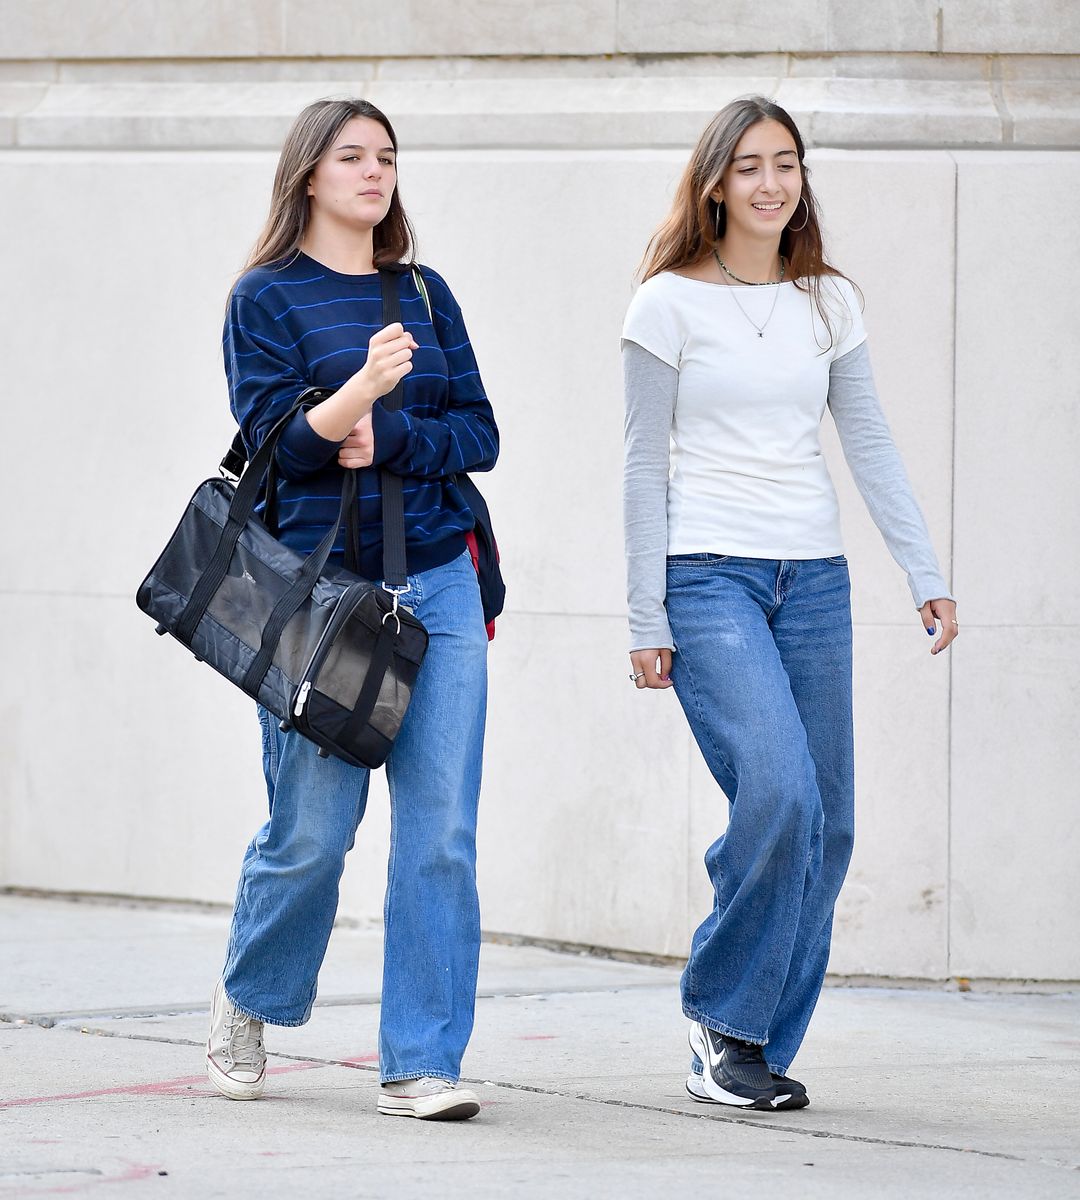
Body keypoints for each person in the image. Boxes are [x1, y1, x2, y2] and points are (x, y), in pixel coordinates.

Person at [621, 96, 957, 1112]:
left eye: (789, 165)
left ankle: (751, 1042)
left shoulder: (828, 303)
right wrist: (644, 614)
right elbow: (642, 463)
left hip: (813, 578)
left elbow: (869, 439)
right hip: (707, 573)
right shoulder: (666, 304)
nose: (773, 183)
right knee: (780, 791)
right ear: (715, 182)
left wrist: (924, 568)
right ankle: (721, 1016)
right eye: (752, 166)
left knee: (831, 822)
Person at [205, 97, 498, 1121]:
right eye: (352, 156)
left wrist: (400, 436)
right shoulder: (266, 297)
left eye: (386, 157)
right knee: (314, 836)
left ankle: (421, 1060)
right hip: (322, 603)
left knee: (441, 834)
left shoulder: (422, 291)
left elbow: (479, 432)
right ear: (308, 175)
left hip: (440, 583)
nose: (375, 172)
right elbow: (277, 445)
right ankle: (250, 995)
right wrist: (354, 400)